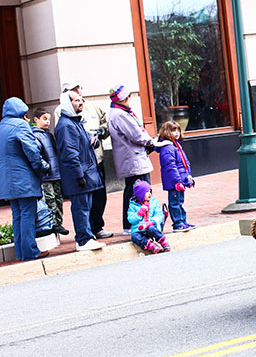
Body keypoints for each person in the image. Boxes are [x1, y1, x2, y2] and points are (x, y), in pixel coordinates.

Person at [54, 81, 111, 239]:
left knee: (92, 202)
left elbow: (86, 139)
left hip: (92, 166)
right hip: (80, 171)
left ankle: (92, 232)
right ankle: (84, 239)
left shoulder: (76, 120)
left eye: (80, 98)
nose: (80, 100)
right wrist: (79, 175)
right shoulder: (66, 124)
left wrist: (97, 138)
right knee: (81, 208)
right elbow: (70, 152)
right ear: (67, 100)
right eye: (75, 97)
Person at [107, 84, 165, 235]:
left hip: (132, 158)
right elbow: (136, 134)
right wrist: (152, 142)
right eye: (128, 96)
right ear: (124, 98)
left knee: (133, 190)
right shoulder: (120, 114)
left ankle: (134, 223)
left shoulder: (118, 112)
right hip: (132, 158)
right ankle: (134, 224)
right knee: (137, 191)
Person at [0, 97, 48, 260]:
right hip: (23, 179)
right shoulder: (20, 125)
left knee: (18, 215)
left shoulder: (1, 127)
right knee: (28, 214)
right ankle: (30, 251)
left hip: (7, 180)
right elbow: (32, 152)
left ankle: (22, 252)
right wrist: (41, 169)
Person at [32, 107, 69, 235]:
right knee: (50, 199)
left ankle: (58, 223)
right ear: (36, 119)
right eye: (44, 119)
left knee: (58, 198)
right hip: (46, 176)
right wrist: (45, 167)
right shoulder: (35, 135)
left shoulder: (49, 135)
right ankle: (51, 224)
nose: (47, 122)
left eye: (49, 119)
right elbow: (36, 155)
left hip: (55, 173)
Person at [157, 120, 196, 232]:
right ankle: (178, 223)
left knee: (180, 201)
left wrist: (188, 177)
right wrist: (177, 181)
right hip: (174, 182)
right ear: (166, 132)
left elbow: (184, 163)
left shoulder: (176, 145)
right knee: (175, 202)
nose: (177, 133)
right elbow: (170, 166)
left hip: (180, 180)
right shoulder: (167, 148)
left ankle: (183, 221)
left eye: (178, 130)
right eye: (173, 131)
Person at [127, 179, 169, 254]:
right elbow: (130, 219)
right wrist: (139, 214)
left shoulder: (153, 202)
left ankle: (164, 242)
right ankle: (151, 246)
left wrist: (152, 222)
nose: (149, 194)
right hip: (139, 229)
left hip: (151, 226)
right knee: (135, 236)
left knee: (152, 229)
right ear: (140, 194)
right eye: (146, 192)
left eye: (150, 191)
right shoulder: (133, 205)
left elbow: (159, 215)